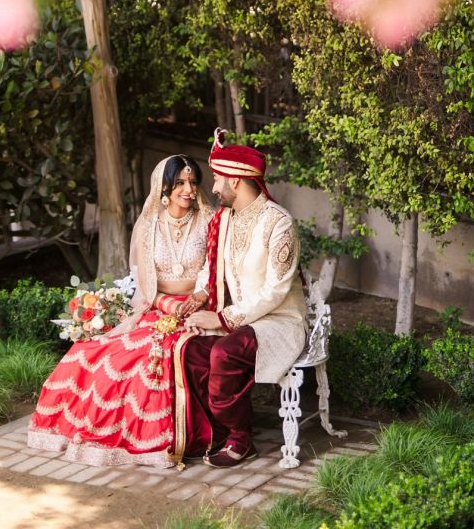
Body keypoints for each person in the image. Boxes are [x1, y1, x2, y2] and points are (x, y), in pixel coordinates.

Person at [27, 155, 214, 467]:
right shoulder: (148, 226)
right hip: (158, 308)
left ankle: (151, 441)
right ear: (164, 186)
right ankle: (84, 435)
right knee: (91, 353)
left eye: (192, 182)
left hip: (198, 311)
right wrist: (169, 305)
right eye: (180, 182)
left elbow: (213, 269)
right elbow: (145, 283)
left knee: (149, 363)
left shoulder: (210, 219)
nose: (188, 188)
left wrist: (199, 296)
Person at [183, 129, 308, 468]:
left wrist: (222, 319)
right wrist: (200, 295)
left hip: (278, 322)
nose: (213, 187)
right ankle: (213, 432)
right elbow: (212, 268)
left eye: (217, 178)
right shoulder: (225, 219)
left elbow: (276, 290)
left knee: (224, 352)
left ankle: (241, 438)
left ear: (236, 180)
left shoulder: (278, 222)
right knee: (192, 350)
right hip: (242, 321)